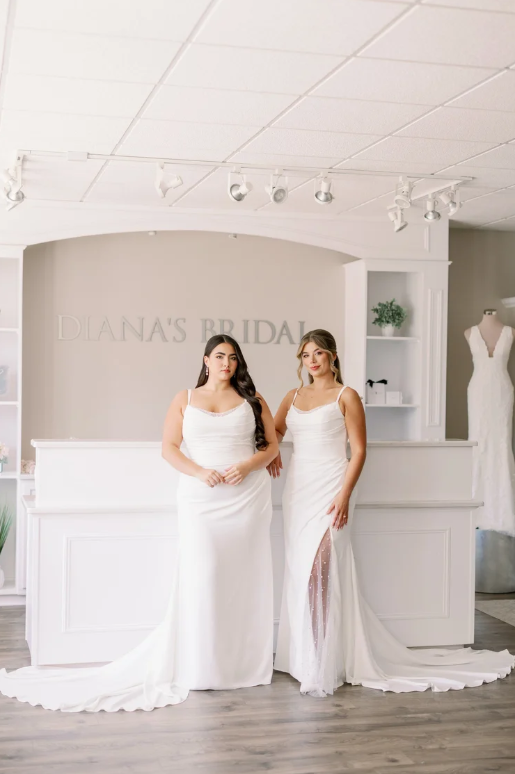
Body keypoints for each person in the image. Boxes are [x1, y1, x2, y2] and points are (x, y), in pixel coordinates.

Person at [0, 335, 278, 711]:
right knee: (204, 575)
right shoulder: (185, 398)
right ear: (206, 360)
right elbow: (168, 448)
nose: (226, 363)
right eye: (219, 356)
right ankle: (200, 665)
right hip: (201, 498)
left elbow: (271, 448)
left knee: (244, 579)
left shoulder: (253, 399)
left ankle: (241, 666)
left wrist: (245, 466)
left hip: (246, 498)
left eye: (232, 357)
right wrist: (199, 472)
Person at [269, 328, 514, 697]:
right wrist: (264, 435)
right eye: (306, 355)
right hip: (298, 493)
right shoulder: (292, 396)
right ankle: (304, 656)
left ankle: (322, 660)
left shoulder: (346, 395)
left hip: (332, 489)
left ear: (333, 356)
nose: (313, 360)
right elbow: (274, 433)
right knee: (300, 570)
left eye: (319, 353)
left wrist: (344, 496)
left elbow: (360, 451)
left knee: (323, 568)